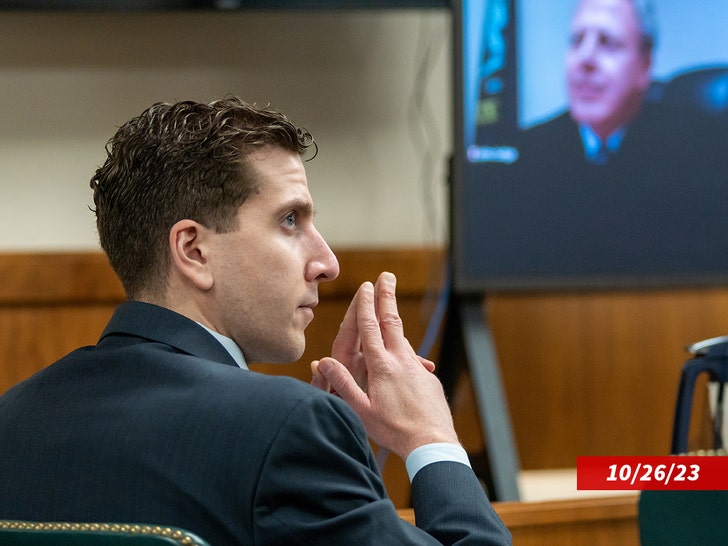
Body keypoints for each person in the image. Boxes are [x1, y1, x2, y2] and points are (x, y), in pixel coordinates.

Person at [0, 97, 511, 545]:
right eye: (291, 220)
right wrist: (431, 439)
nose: (327, 262)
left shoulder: (12, 419)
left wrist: (337, 456)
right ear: (194, 250)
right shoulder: (287, 430)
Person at [473, 0, 728, 282]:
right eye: (576, 40)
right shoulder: (527, 152)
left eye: (607, 42)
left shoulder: (697, 151)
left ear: (645, 65)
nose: (585, 59)